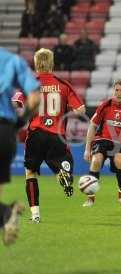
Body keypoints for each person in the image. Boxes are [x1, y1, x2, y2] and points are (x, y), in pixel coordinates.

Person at [23, 48, 85, 223]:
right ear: (52, 63)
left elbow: (17, 101)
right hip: (56, 134)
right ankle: (62, 175)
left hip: (35, 134)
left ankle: (35, 215)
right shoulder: (63, 84)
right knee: (60, 166)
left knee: (31, 172)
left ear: (36, 63)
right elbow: (81, 109)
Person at [0, 48, 41, 245]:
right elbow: (35, 98)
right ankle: (6, 216)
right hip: (5, 132)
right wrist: (18, 122)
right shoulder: (12, 60)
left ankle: (6, 212)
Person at [83, 80, 121, 207]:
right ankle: (90, 198)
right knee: (96, 161)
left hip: (120, 143)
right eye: (117, 90)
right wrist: (87, 149)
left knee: (120, 161)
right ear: (113, 90)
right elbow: (92, 126)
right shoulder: (105, 105)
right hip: (102, 140)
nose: (119, 93)